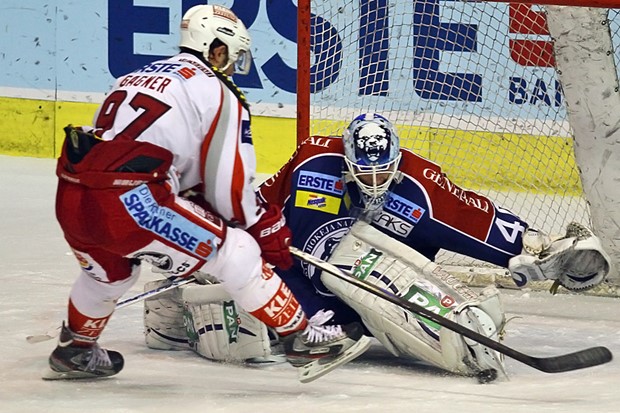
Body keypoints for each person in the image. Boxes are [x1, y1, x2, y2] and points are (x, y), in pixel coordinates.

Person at [144, 113, 611, 380]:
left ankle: (399, 324)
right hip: (288, 262)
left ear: (396, 161)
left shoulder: (419, 185)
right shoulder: (315, 165)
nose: (372, 182)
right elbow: (287, 231)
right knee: (251, 324)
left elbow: (474, 218)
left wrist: (535, 250)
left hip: (364, 282)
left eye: (380, 172)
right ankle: (176, 304)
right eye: (361, 173)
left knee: (331, 314)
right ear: (347, 163)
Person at [45, 4, 370, 381]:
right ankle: (301, 339)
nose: (232, 66)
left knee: (108, 276)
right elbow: (228, 191)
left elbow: (143, 153)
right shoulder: (217, 92)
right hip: (135, 203)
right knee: (237, 250)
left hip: (73, 196)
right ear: (216, 49)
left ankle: (76, 349)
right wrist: (262, 225)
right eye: (231, 56)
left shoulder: (134, 76)